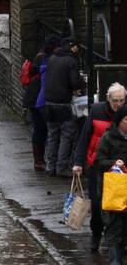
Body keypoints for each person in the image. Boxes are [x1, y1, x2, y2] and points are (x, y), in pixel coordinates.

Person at [72, 80, 127, 252]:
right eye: (115, 100)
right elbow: (84, 137)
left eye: (121, 100)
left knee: (121, 205)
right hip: (97, 165)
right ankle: (96, 233)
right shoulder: (96, 111)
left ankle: (121, 241)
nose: (118, 104)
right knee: (97, 205)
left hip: (121, 167)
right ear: (108, 98)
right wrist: (78, 162)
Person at [93, 104, 127, 265]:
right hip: (113, 190)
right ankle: (115, 263)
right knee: (113, 227)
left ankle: (121, 262)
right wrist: (114, 163)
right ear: (119, 121)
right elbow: (99, 162)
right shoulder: (108, 138)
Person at [44, 35, 83, 177]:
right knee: (67, 135)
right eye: (77, 47)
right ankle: (61, 167)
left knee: (53, 134)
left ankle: (50, 166)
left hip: (49, 101)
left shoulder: (53, 58)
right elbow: (75, 82)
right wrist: (80, 85)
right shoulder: (71, 60)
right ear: (73, 46)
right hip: (64, 103)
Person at [25, 34, 57, 171]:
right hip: (37, 98)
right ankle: (39, 161)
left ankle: (39, 160)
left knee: (40, 130)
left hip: (34, 97)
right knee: (40, 130)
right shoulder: (43, 59)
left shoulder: (40, 56)